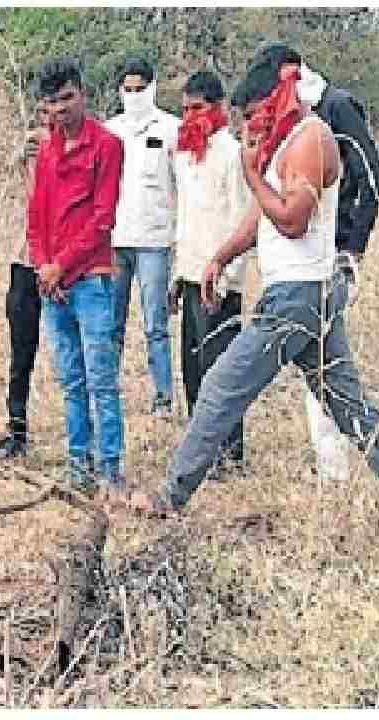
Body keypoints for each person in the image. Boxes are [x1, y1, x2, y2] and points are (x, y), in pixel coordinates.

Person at [128, 53, 379, 525]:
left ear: (275, 98)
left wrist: (252, 173)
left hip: (298, 294)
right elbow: (261, 215)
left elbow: (292, 220)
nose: (250, 124)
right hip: (305, 293)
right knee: (346, 402)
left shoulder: (310, 138)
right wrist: (220, 256)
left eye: (253, 113)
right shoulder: (285, 141)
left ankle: (169, 499)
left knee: (218, 386)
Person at [253, 42, 379, 484]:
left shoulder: (335, 106)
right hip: (302, 261)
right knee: (326, 373)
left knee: (328, 376)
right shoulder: (292, 119)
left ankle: (337, 474)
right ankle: (339, 472)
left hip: (329, 259)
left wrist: (352, 245)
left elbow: (370, 175)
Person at [26, 58, 127, 492]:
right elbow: (37, 214)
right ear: (43, 108)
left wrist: (60, 266)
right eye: (52, 103)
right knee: (70, 378)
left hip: (90, 277)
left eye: (68, 98)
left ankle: (110, 467)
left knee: (101, 378)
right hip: (53, 281)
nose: (61, 111)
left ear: (82, 94)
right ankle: (78, 464)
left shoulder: (107, 144)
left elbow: (102, 219)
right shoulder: (46, 148)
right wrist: (43, 267)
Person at [168, 70, 250, 473]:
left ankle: (230, 454)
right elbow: (182, 219)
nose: (188, 117)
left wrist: (227, 277)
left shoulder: (233, 154)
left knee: (223, 371)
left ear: (217, 109)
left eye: (196, 108)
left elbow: (241, 221)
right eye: (183, 109)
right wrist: (175, 275)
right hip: (188, 274)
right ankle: (201, 449)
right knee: (193, 368)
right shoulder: (183, 154)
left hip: (219, 280)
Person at [104, 56, 180, 417]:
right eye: (128, 89)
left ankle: (164, 395)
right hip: (115, 240)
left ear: (153, 87)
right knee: (111, 322)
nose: (134, 95)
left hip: (155, 240)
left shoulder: (170, 129)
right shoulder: (110, 131)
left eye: (140, 88)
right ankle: (107, 387)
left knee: (155, 324)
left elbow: (183, 186)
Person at [0, 97, 51, 461]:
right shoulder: (28, 151)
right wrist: (31, 164)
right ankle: (16, 428)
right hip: (26, 261)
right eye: (41, 114)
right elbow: (33, 202)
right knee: (21, 351)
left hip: (66, 263)